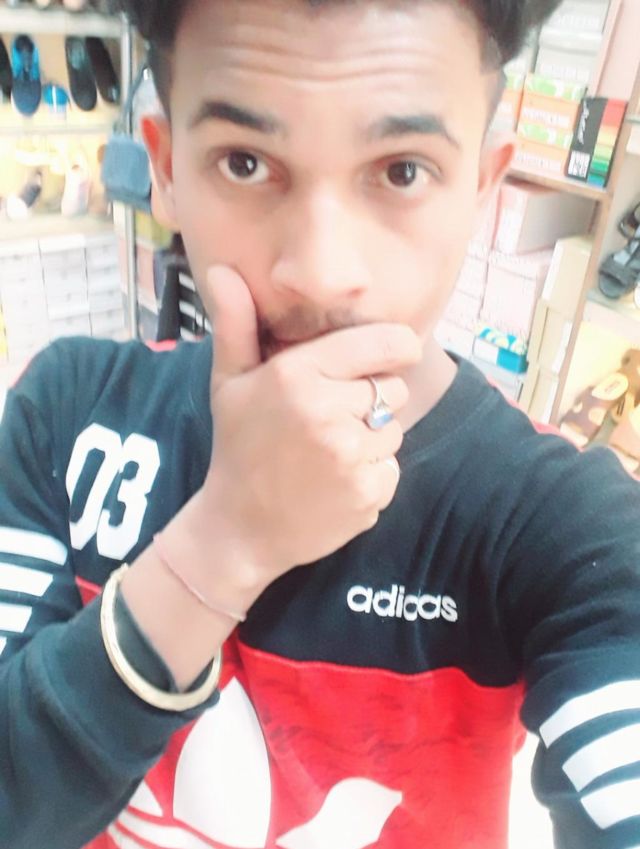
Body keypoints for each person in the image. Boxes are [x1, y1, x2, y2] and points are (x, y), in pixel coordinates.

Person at [0, 0, 639, 847]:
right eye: (245, 162)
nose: (320, 272)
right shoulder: (66, 414)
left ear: (483, 189)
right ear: (166, 168)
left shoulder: (562, 522)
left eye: (402, 171)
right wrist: (224, 543)